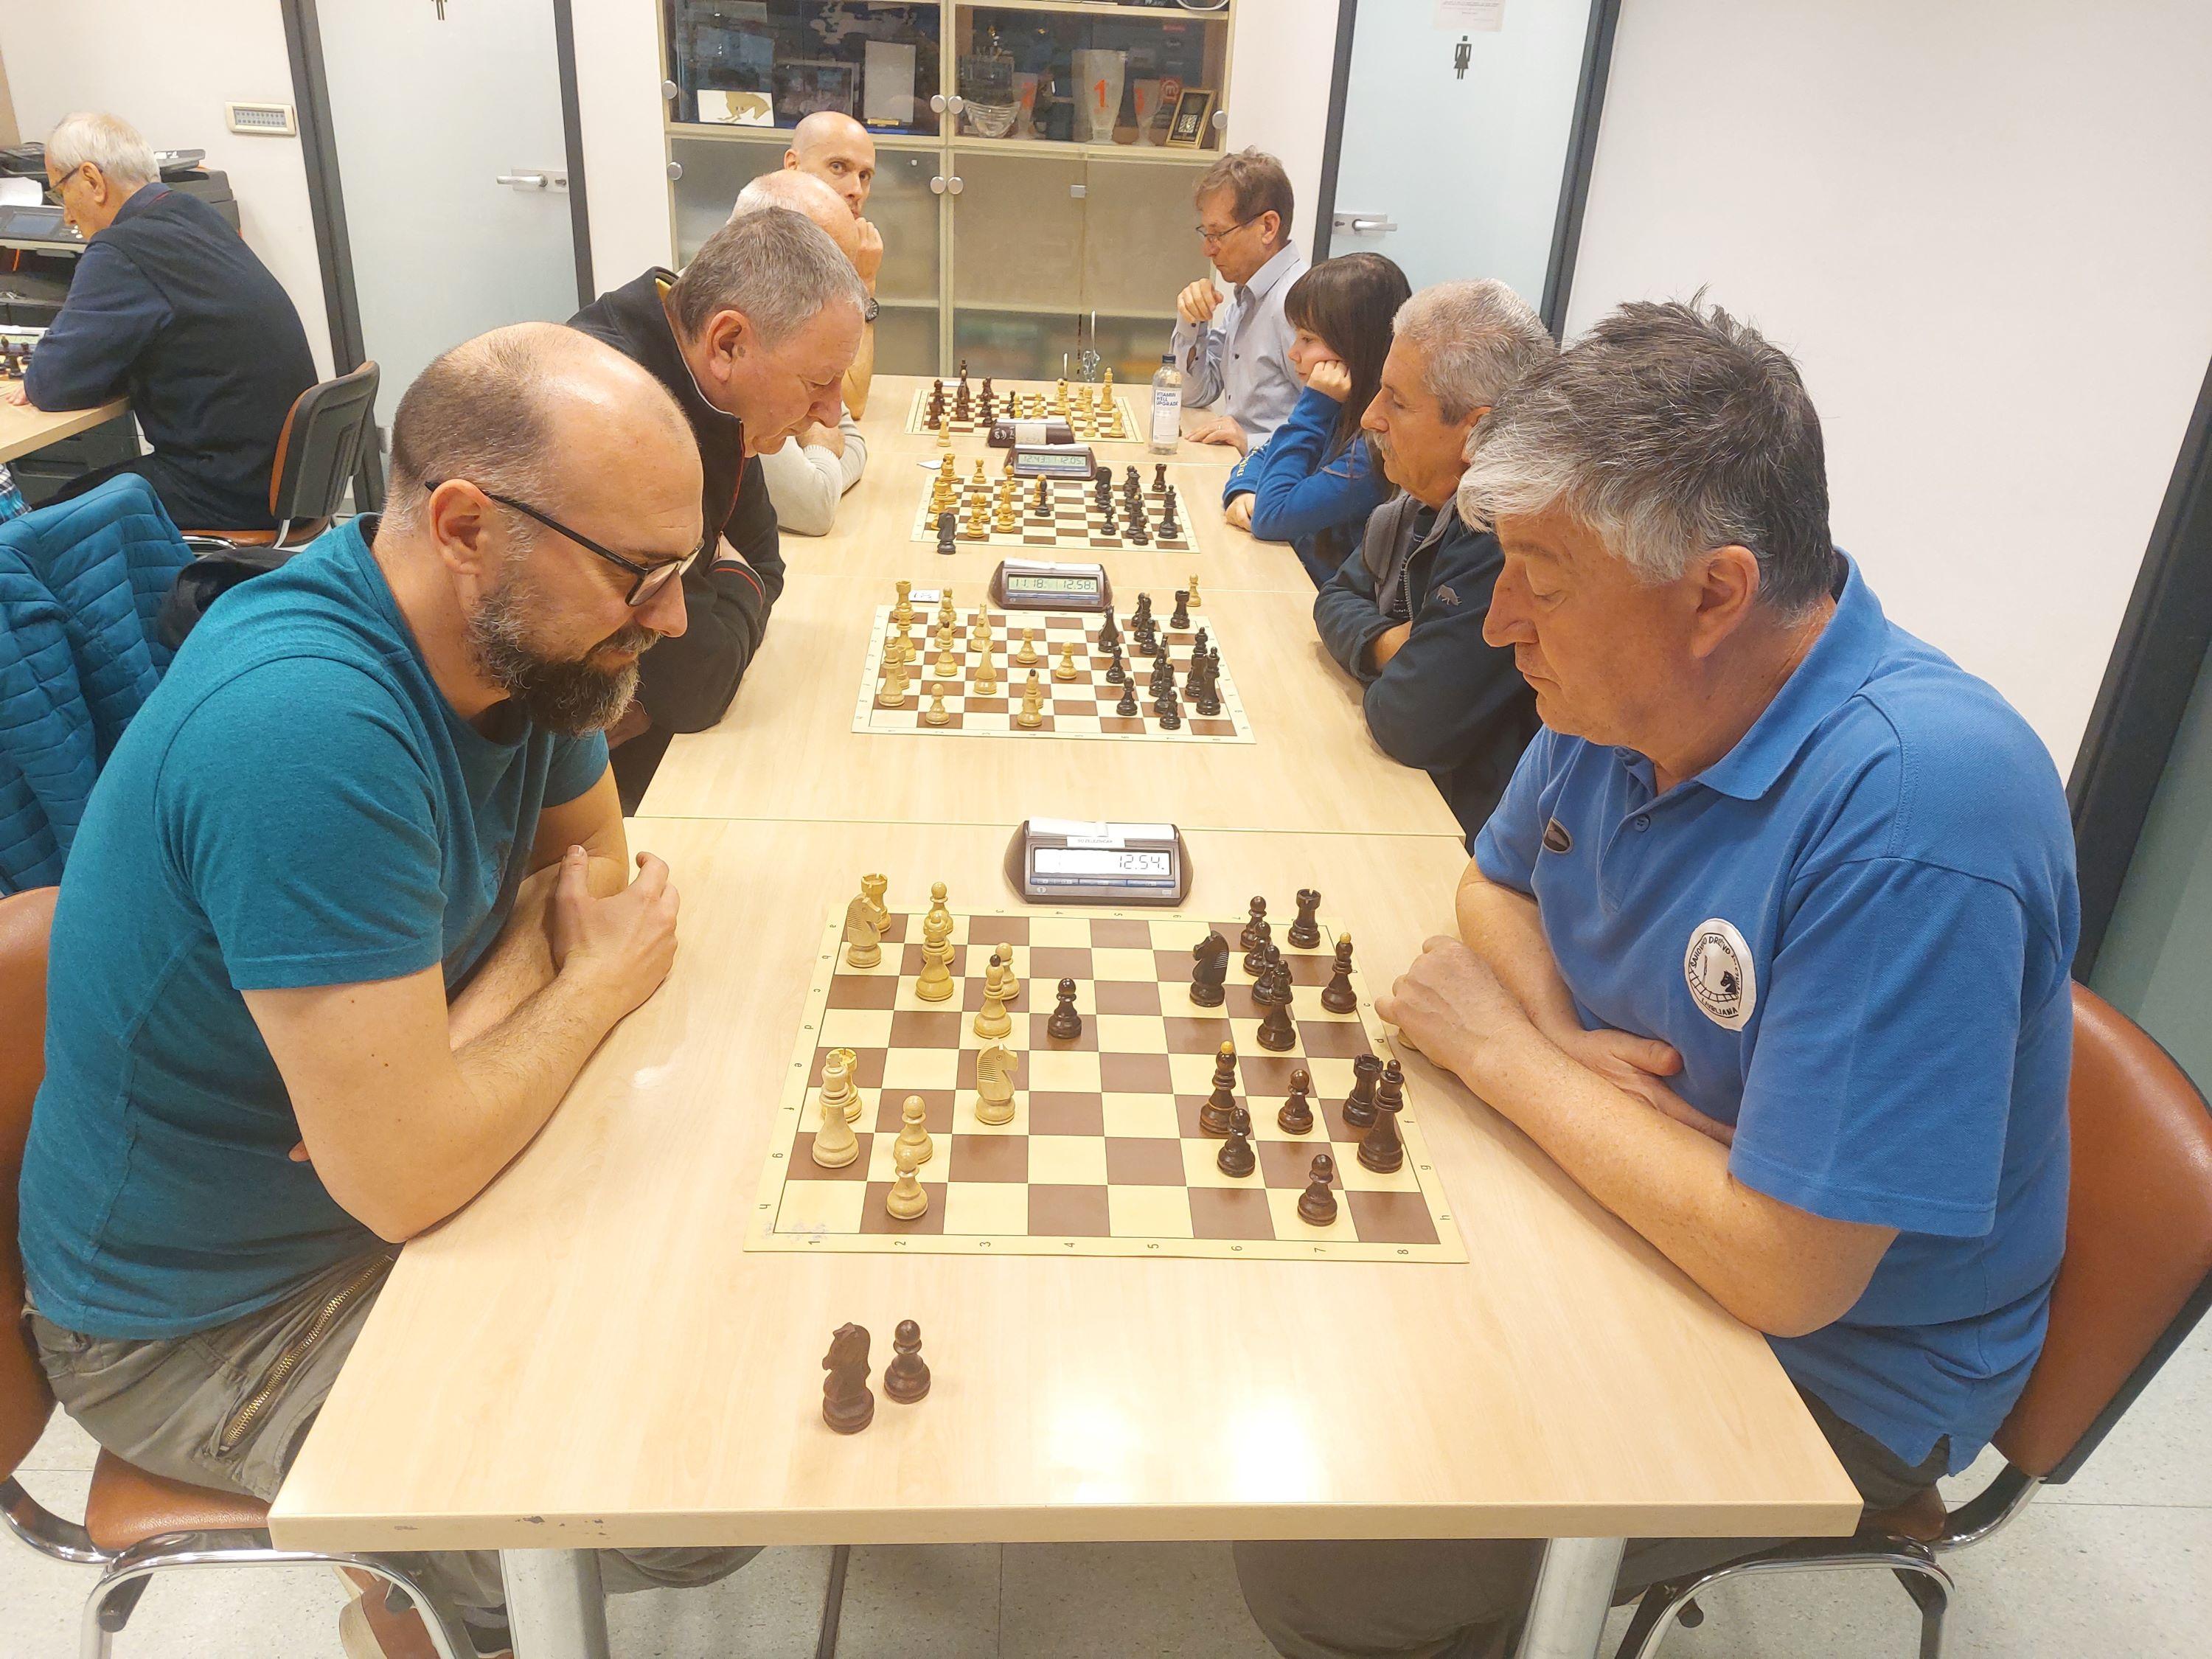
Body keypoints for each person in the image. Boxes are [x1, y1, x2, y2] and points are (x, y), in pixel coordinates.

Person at [1237, 299, 2077, 1658]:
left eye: (1541, 577)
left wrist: (1504, 1056)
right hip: (1645, 1196)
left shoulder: (1921, 809)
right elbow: (1494, 886)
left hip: (1835, 1366)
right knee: (1298, 1311)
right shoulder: (1628, 691)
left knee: (1329, 1567)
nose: (1499, 621)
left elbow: (1789, 1270)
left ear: (1713, 594)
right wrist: (1561, 1039)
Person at [18, 324, 762, 1659]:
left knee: (727, 1315)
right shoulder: (309, 729)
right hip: (207, 1322)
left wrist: (460, 1043)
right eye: (640, 575)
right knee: (690, 1487)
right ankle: (428, 1618)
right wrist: (578, 992)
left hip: (357, 1201)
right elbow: (412, 1173)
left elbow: (594, 874)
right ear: (467, 525)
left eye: (682, 569)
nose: (667, 619)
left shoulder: (529, 648)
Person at [569, 206, 865, 804]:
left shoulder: (712, 389)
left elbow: (765, 560)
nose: (833, 413)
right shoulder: (618, 415)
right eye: (818, 383)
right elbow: (697, 685)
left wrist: (724, 577)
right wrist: (731, 576)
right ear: (728, 343)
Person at [1312, 279, 1552, 838]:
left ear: (1478, 431)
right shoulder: (1420, 503)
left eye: (1396, 401)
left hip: (1465, 834)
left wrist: (1394, 659)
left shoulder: (1499, 529)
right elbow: (1336, 595)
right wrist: (1389, 644)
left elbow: (1409, 721)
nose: (1370, 417)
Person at [10, 112, 315, 532]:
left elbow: (51, 385)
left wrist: (43, 376)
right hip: (288, 478)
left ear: (93, 180)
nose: (67, 217)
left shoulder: (122, 249)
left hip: (228, 489)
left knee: (33, 528)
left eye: (61, 192)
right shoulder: (195, 213)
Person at [1221, 251, 1408, 585]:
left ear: (1355, 346)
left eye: (1308, 339)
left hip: (1315, 597)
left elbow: (1272, 516)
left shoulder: (1371, 450)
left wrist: (1313, 408)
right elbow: (1263, 454)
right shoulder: (1341, 410)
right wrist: (1244, 490)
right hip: (1293, 576)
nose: (1293, 352)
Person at [732, 170, 869, 536]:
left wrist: (821, 460)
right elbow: (813, 505)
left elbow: (850, 437)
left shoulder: (790, 334)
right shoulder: (742, 342)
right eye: (826, 270)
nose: (857, 189)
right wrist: (823, 453)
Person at [1171, 148, 1307, 452]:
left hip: (1271, 473)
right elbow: (1194, 394)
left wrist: (1251, 441)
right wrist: (1191, 322)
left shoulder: (1298, 304)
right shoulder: (1248, 296)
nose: (1208, 250)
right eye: (1206, 234)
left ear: (1268, 227)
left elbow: (1333, 429)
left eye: (1218, 234)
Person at [783, 110, 883, 416]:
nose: (856, 190)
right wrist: (864, 284)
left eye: (865, 176)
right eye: (838, 167)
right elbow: (849, 401)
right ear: (793, 166)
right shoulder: (775, 257)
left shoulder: (824, 251)